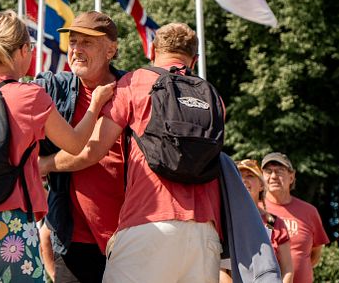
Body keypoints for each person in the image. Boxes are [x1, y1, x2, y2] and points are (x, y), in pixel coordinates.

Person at [0, 10, 114, 283]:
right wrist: (96, 105)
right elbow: (75, 144)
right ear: (24, 50)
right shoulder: (29, 96)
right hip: (8, 230)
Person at [43, 22, 223, 283]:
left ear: (151, 51)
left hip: (145, 226)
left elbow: (90, 151)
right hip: (203, 230)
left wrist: (44, 164)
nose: (77, 49)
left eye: (88, 42)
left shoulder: (135, 83)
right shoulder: (212, 96)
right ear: (194, 60)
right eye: (73, 41)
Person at [219, 159, 293, 283]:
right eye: (239, 176)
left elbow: (287, 270)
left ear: (261, 185)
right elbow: (220, 270)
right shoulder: (224, 221)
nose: (244, 180)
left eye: (250, 176)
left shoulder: (275, 223)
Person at [262, 152, 329, 283]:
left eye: (280, 171)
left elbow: (315, 254)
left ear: (291, 177)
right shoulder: (255, 210)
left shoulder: (309, 212)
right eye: (268, 171)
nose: (274, 176)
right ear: (262, 177)